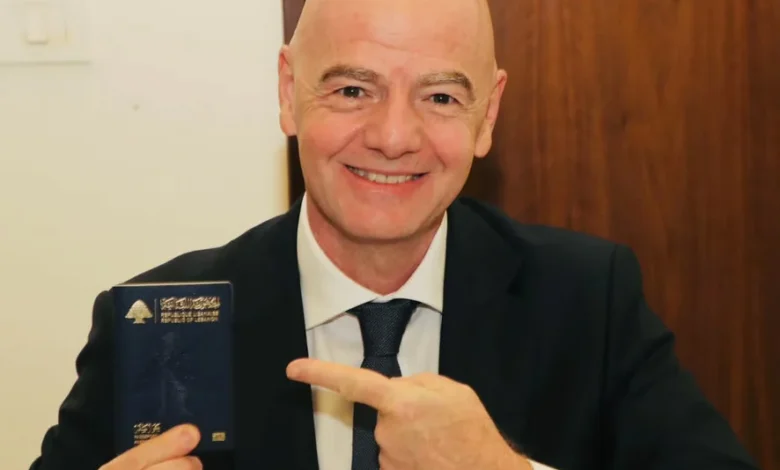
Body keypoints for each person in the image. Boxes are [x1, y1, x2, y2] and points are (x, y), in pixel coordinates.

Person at [30, 0, 760, 469]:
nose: (393, 136)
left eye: (440, 96)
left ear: (488, 115)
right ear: (288, 92)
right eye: (353, 90)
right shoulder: (159, 319)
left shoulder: (588, 301)